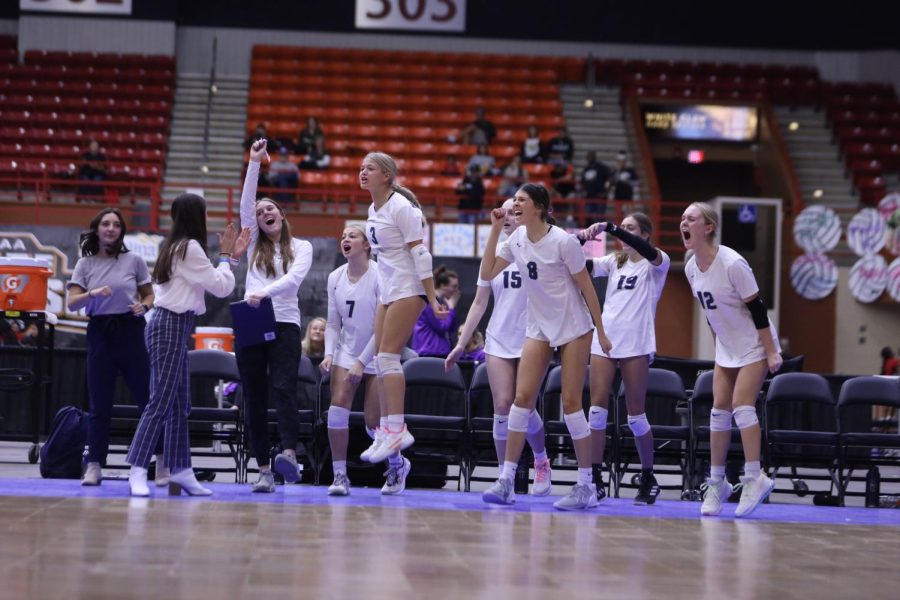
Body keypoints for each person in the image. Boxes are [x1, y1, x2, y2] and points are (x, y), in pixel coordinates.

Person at [479, 183, 612, 510]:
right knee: (521, 400)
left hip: (574, 328)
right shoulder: (517, 239)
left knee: (570, 403)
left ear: (538, 207)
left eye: (521, 201)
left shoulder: (564, 242)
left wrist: (602, 331)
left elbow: (588, 288)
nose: (514, 206)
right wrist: (495, 231)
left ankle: (585, 486)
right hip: (538, 326)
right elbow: (487, 272)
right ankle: (507, 480)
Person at [125, 194, 250, 497]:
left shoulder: (175, 245)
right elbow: (221, 287)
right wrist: (227, 257)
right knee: (161, 401)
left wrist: (228, 259)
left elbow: (214, 283)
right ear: (199, 217)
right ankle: (138, 469)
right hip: (169, 324)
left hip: (173, 325)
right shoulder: (190, 248)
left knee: (181, 405)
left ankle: (181, 470)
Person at [445, 198, 553, 497]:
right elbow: (479, 302)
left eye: (514, 211)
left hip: (535, 336)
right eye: (503, 211)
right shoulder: (492, 255)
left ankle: (542, 460)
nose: (508, 216)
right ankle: (505, 477)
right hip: (499, 338)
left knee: (525, 405)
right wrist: (461, 343)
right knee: (503, 406)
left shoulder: (540, 248)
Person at [681, 201, 782, 518]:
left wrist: (772, 351)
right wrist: (718, 349)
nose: (684, 222)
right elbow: (711, 315)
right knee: (717, 411)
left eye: (692, 218)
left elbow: (758, 310)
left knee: (742, 405)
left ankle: (755, 478)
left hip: (754, 343)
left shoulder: (733, 263)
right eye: (683, 217)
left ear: (708, 227)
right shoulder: (689, 267)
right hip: (727, 348)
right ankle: (717, 483)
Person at [359, 151, 447, 494]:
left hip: (410, 288)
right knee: (381, 361)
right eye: (360, 168)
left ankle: (397, 430)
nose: (362, 173)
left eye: (369, 168)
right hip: (388, 289)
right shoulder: (373, 209)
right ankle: (386, 430)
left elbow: (420, 254)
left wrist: (432, 296)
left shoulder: (402, 208)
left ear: (386, 175)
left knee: (387, 358)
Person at [578, 213, 670, 504]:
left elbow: (647, 252)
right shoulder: (614, 261)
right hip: (605, 340)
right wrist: (581, 239)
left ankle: (647, 476)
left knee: (635, 415)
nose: (624, 234)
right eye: (623, 227)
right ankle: (595, 476)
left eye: (631, 229)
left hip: (637, 342)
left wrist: (612, 227)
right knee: (596, 411)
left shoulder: (658, 263)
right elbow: (579, 266)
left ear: (644, 233)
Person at [238, 140, 314, 493]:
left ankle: (288, 454)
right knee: (253, 394)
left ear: (282, 215)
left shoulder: (302, 247)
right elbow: (245, 204)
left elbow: (293, 281)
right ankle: (263, 469)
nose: (263, 212)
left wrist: (261, 294)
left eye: (270, 208)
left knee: (283, 388)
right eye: (259, 211)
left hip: (283, 321)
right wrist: (255, 162)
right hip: (251, 319)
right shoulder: (253, 244)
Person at [67, 208, 163, 487]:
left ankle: (161, 461)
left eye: (116, 225)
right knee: (100, 403)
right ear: (96, 229)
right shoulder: (85, 264)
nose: (110, 228)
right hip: (100, 332)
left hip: (132, 329)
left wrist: (143, 306)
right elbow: (72, 303)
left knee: (148, 399)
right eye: (106, 224)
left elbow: (149, 294)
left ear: (121, 231)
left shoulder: (133, 260)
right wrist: (92, 294)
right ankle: (94, 464)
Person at [320, 225, 381, 496]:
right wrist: (329, 354)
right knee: (338, 407)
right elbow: (333, 323)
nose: (345, 239)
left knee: (373, 423)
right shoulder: (335, 277)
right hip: (347, 350)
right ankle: (340, 475)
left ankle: (397, 465)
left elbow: (384, 328)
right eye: (343, 236)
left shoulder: (381, 274)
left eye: (352, 236)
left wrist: (362, 362)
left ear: (366, 245)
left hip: (379, 350)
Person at [411, 266, 459, 358]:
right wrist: (451, 309)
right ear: (443, 285)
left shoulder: (439, 303)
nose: (456, 290)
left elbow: (451, 329)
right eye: (454, 286)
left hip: (435, 350)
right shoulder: (430, 303)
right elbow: (441, 327)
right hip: (429, 351)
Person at [579, 150, 611, 217]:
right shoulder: (586, 169)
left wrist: (606, 191)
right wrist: (583, 192)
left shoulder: (601, 167)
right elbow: (583, 182)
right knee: (588, 216)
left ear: (594, 157)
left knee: (599, 217)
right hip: (589, 197)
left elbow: (609, 180)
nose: (589, 158)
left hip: (600, 196)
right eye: (588, 156)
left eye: (591, 156)